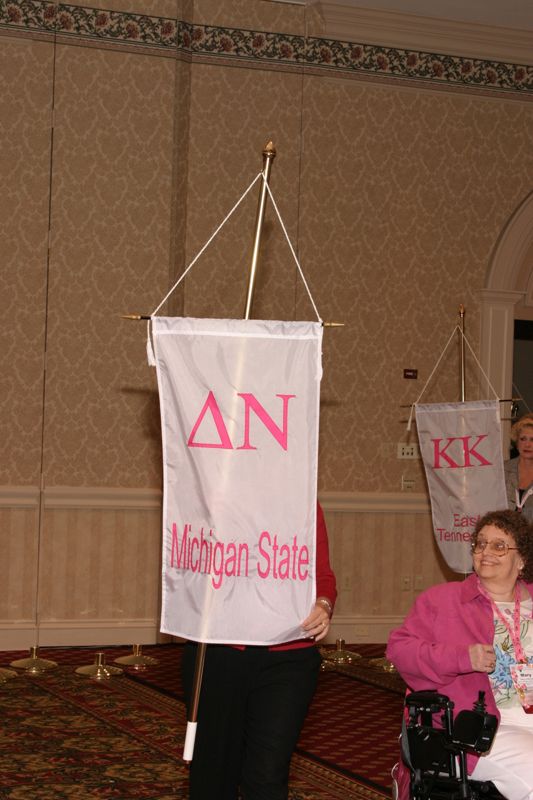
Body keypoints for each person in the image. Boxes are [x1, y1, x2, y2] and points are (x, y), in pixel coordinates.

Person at [182, 501, 337, 800]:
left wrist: (324, 603)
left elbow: (322, 574)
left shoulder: (301, 498)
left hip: (288, 656)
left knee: (267, 776)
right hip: (219, 652)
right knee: (213, 775)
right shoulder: (214, 492)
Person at [386, 509, 533, 800]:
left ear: (522, 560)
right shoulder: (444, 601)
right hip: (481, 729)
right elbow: (399, 650)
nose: (485, 552)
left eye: (499, 545)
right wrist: (462, 658)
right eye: (480, 544)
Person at [505, 413, 533, 523]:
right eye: (523, 439)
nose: (527, 445)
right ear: (517, 443)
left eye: (532, 440)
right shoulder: (503, 470)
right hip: (504, 534)